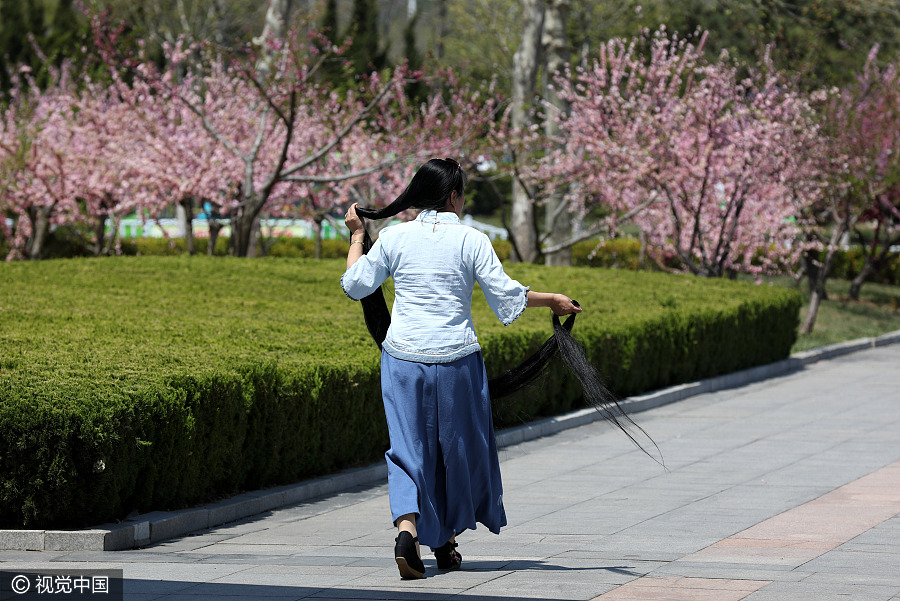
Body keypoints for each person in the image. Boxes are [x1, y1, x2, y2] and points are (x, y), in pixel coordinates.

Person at [341, 158, 581, 579]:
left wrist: (358, 237)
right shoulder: (472, 239)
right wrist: (554, 300)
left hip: (402, 360)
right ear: (453, 196)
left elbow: (355, 285)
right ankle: (443, 541)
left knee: (407, 452)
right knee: (453, 454)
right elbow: (506, 294)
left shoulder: (395, 238)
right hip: (458, 363)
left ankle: (409, 531)